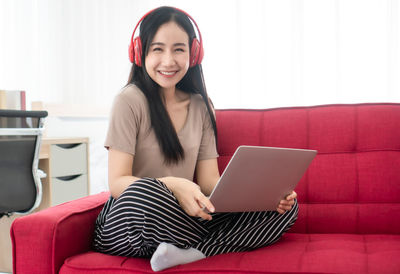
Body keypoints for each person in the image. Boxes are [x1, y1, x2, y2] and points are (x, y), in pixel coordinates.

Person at [93, 6, 298, 272]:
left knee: (285, 208)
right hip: (133, 218)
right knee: (144, 194)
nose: (169, 61)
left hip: (184, 215)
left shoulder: (201, 106)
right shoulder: (128, 101)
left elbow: (208, 181)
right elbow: (118, 183)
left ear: (194, 54)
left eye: (178, 49)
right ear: (140, 52)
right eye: (157, 49)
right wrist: (173, 185)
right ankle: (204, 245)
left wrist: (261, 193)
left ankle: (192, 252)